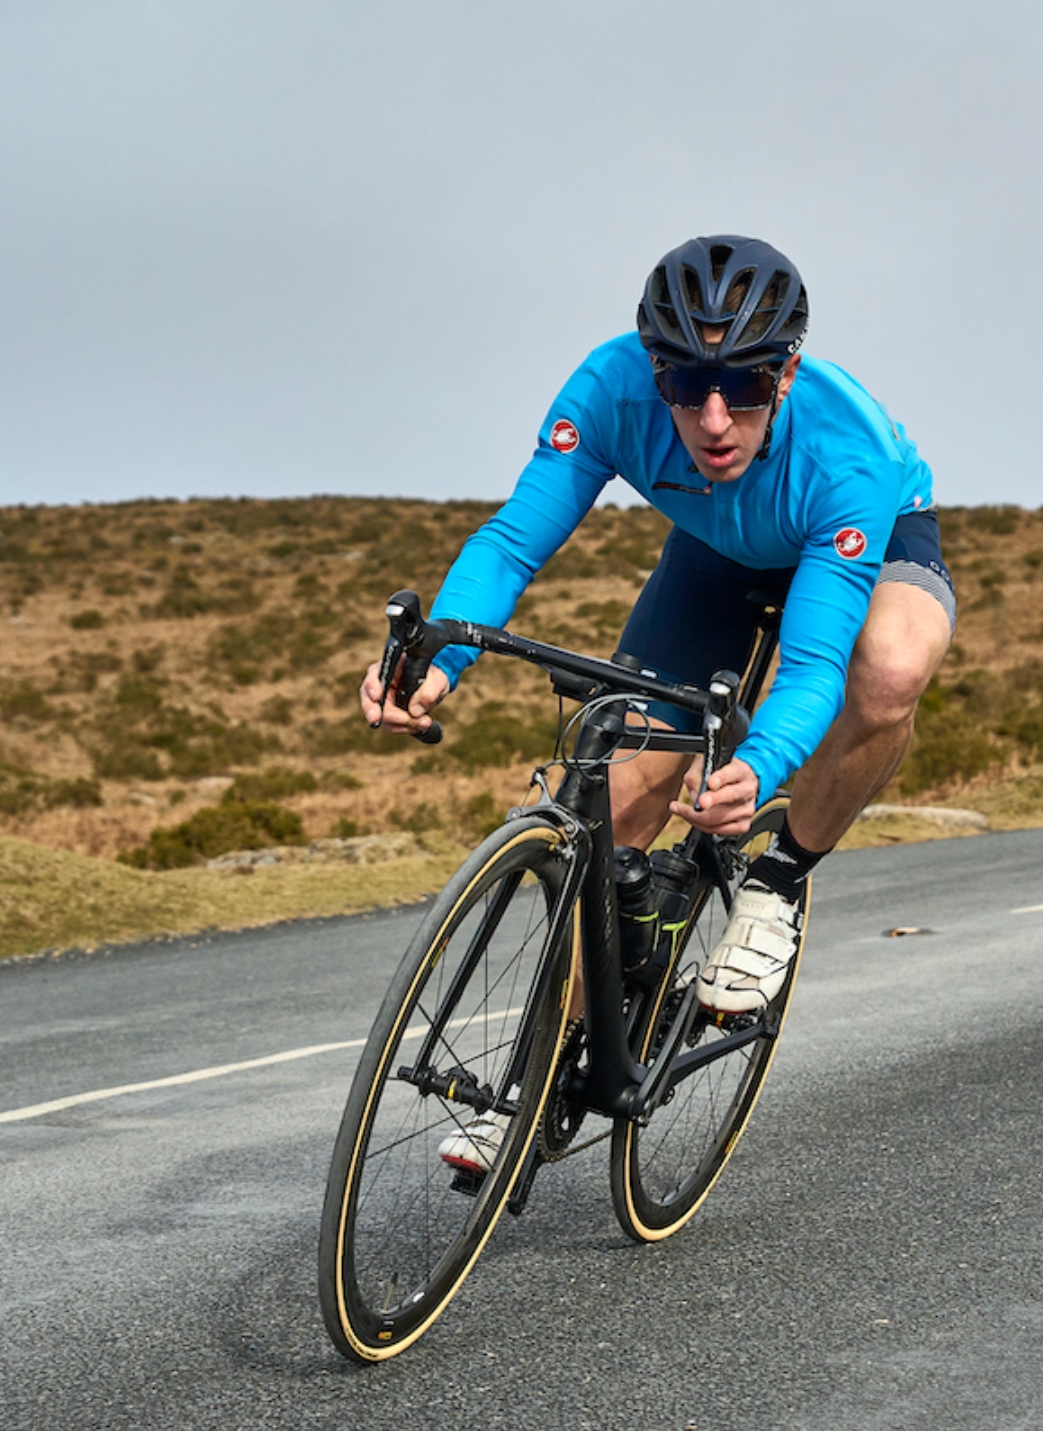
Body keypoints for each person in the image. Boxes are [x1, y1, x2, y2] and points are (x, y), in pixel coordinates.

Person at [361, 235, 950, 1023]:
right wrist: (441, 657)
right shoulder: (608, 390)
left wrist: (761, 767)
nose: (713, 421)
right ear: (651, 368)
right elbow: (509, 545)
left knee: (885, 674)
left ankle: (779, 883)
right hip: (714, 548)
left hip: (857, 540)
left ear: (787, 374)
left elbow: (812, 666)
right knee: (619, 794)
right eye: (685, 383)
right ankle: (546, 1072)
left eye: (744, 386)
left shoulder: (851, 453)